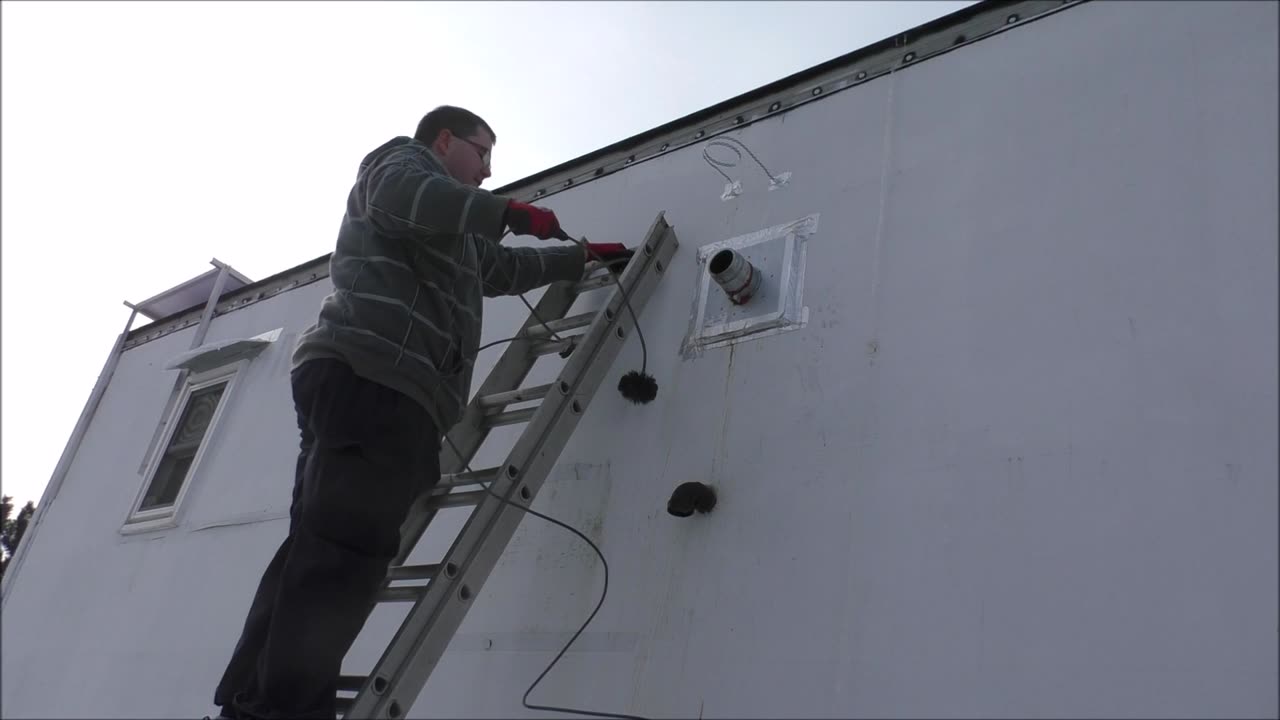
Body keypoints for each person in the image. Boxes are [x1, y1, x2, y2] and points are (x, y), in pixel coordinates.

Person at [210, 106, 632, 720]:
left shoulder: (452, 229)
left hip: (373, 387)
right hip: (377, 381)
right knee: (346, 552)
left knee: (317, 547)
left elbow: (503, 268)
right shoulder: (400, 164)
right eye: (482, 153)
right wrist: (509, 213)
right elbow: (410, 195)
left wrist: (580, 257)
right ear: (443, 140)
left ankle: (251, 700)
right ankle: (288, 710)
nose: (488, 171)